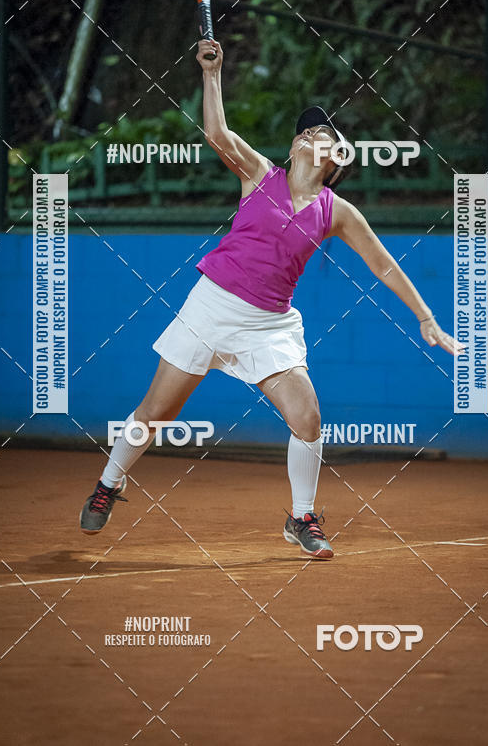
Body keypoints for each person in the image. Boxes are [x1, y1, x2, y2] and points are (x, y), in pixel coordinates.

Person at [79, 38, 464, 559]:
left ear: (337, 159)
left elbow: (384, 265)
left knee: (308, 417)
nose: (310, 134)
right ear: (292, 146)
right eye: (305, 130)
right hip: (210, 308)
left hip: (269, 325)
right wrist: (211, 73)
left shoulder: (337, 211)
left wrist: (426, 317)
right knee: (155, 414)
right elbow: (217, 133)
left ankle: (301, 517)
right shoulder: (260, 174)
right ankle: (109, 482)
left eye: (322, 133)